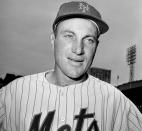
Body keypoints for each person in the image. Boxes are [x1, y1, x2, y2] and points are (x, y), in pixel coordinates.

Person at [0, 1, 142, 131]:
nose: (78, 49)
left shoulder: (116, 102)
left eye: (89, 40)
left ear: (96, 46)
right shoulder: (13, 94)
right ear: (53, 40)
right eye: (69, 36)